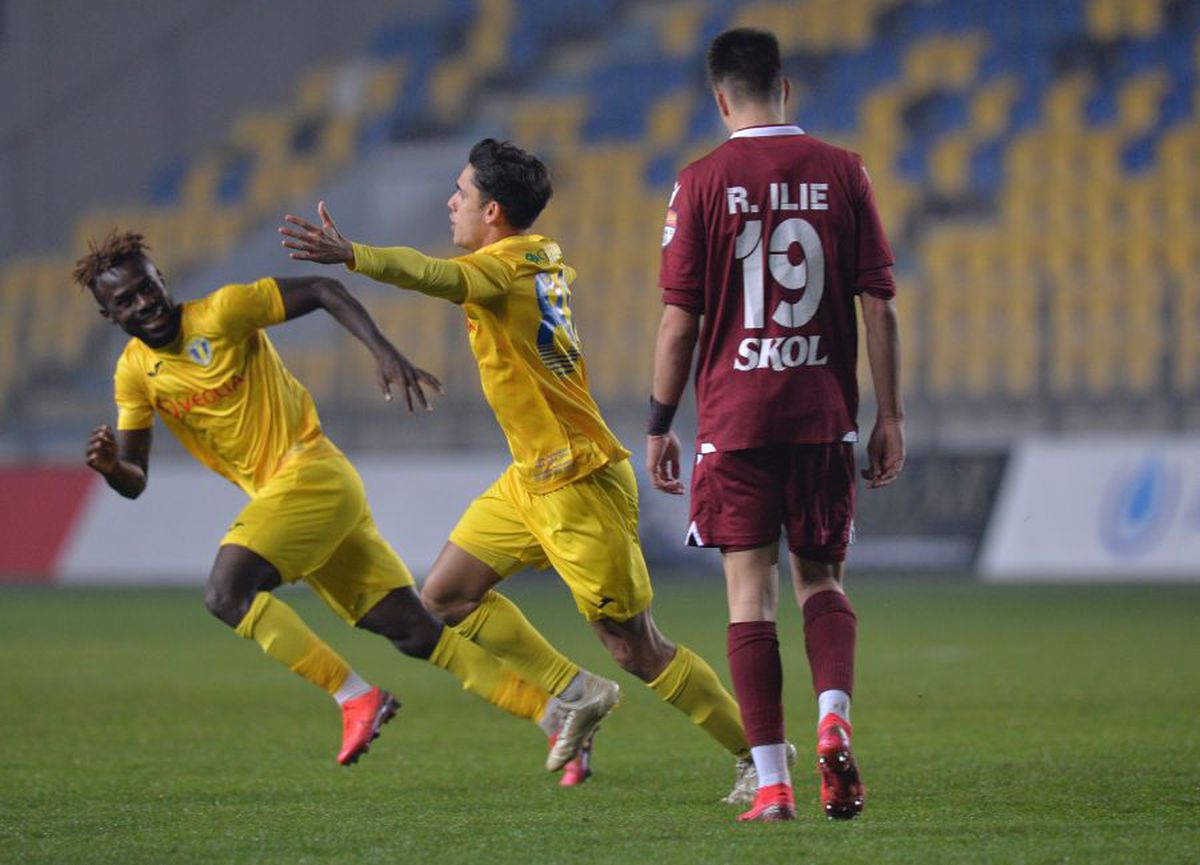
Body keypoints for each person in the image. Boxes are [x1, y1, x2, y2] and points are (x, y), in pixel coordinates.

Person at [278, 138, 753, 791]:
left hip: (578, 482)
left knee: (637, 646)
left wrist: (354, 255)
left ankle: (757, 757)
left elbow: (435, 275)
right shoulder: (541, 253)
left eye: (461, 193)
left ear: (494, 210)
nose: (450, 202)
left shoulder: (499, 267)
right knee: (446, 594)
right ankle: (575, 688)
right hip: (532, 476)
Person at [76, 230, 589, 778]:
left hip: (311, 475)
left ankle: (355, 697)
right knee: (415, 633)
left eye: (146, 287)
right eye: (125, 300)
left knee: (227, 593)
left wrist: (385, 352)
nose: (143, 304)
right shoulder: (134, 372)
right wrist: (111, 467)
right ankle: (557, 717)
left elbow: (323, 288)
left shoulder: (223, 312)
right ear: (110, 315)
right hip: (299, 507)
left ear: (161, 280)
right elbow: (135, 479)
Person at [645, 28, 906, 823]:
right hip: (825, 416)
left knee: (748, 598)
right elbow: (878, 301)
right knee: (821, 581)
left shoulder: (698, 182)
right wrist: (889, 412)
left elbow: (678, 323)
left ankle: (774, 783)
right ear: (784, 88)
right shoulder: (845, 171)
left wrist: (660, 421)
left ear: (720, 98)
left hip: (736, 420)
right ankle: (835, 715)